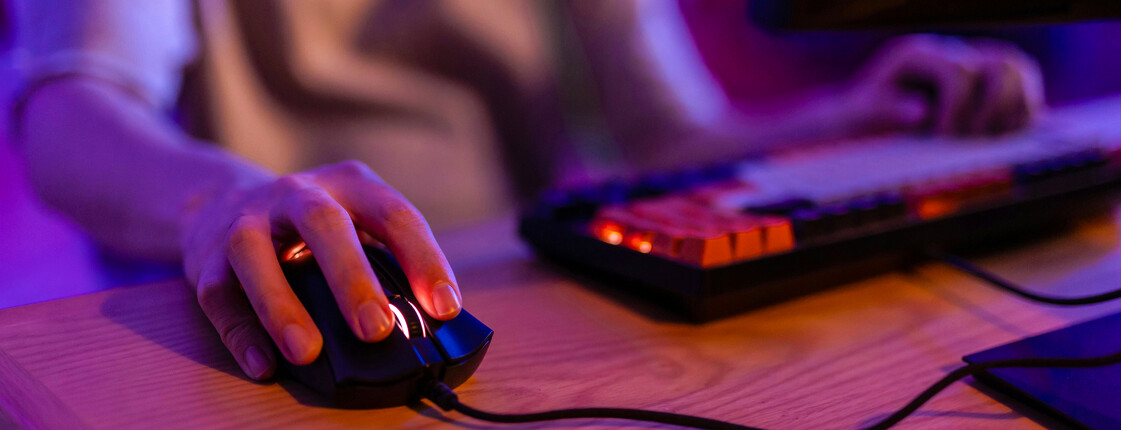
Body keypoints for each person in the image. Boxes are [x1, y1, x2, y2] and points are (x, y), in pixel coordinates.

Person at [7, 0, 1044, 381]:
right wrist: (213, 202)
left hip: (510, 296)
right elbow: (68, 102)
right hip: (231, 322)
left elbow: (670, 133)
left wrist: (852, 115)